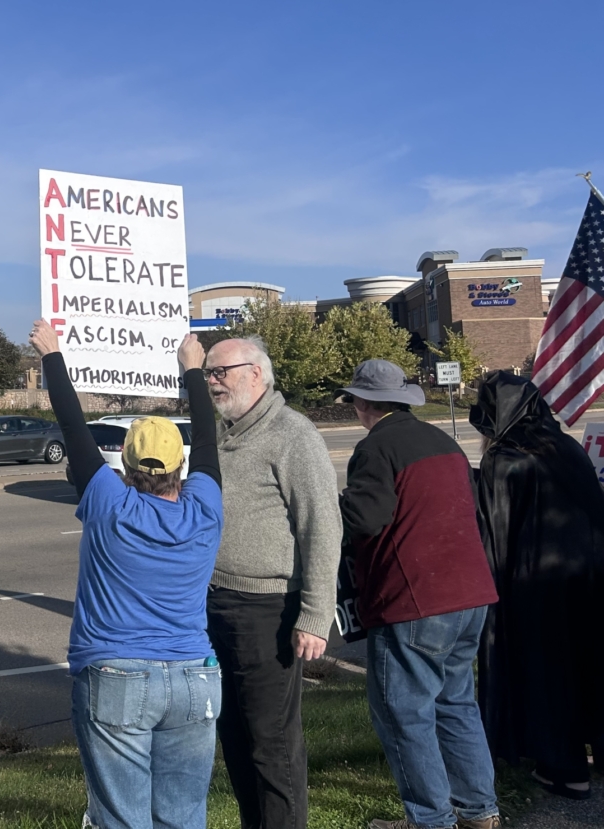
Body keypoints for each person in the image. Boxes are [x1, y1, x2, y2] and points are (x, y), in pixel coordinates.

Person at [29, 319, 224, 829]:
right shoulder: (206, 508)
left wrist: (53, 354)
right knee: (183, 817)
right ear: (182, 468)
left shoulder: (109, 505)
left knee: (121, 818)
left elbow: (74, 428)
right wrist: (193, 371)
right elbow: (208, 439)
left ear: (127, 464)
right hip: (193, 679)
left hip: (116, 674)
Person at [338, 360, 500, 829]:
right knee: (455, 703)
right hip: (471, 594)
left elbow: (365, 520)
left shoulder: (376, 448)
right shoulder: (441, 441)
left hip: (415, 600)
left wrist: (337, 506)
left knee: (402, 714)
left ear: (364, 403)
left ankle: (429, 819)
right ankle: (479, 810)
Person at [203, 336, 341, 829]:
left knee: (272, 744)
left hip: (268, 610)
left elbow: (322, 526)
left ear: (256, 374)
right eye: (207, 374)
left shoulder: (293, 435)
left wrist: (315, 615)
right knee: (235, 736)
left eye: (221, 372)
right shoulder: (223, 434)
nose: (213, 381)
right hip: (216, 604)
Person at [471, 371, 604, 801]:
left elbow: (493, 533)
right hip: (589, 579)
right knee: (592, 666)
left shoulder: (505, 459)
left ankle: (563, 768)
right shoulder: (565, 446)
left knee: (549, 674)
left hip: (534, 586)